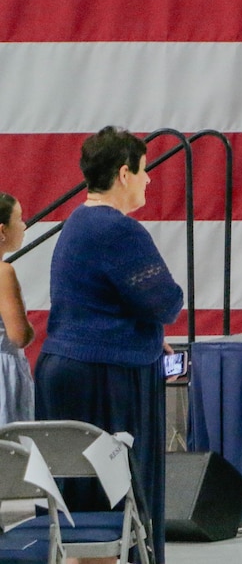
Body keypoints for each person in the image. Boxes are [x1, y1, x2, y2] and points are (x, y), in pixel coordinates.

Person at [35, 127, 183, 563]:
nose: (148, 179)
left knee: (78, 503)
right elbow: (165, 301)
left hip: (64, 368)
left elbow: (92, 303)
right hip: (104, 378)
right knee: (116, 500)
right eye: (144, 170)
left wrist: (147, 336)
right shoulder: (119, 230)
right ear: (123, 174)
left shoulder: (77, 222)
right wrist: (149, 332)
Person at [0, 193, 35, 424]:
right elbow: (19, 336)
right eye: (19, 219)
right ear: (2, 230)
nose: (24, 226)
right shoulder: (3, 273)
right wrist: (30, 327)